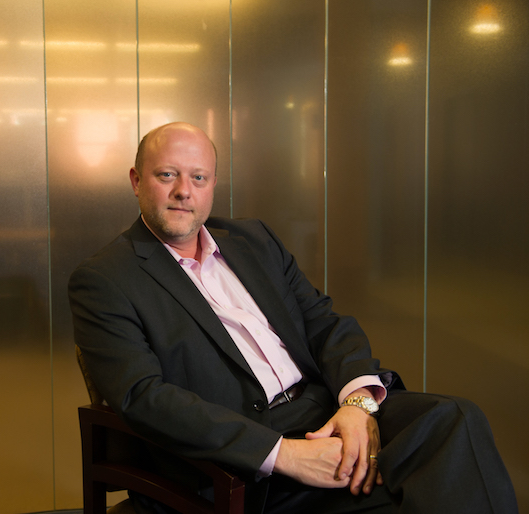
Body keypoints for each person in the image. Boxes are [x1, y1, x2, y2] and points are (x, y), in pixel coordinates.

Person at [69, 122, 517, 513]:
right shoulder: (106, 278)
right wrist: (282, 454)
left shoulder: (252, 239)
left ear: (213, 184)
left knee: (454, 420)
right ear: (136, 180)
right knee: (435, 488)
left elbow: (322, 320)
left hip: (324, 411)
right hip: (245, 456)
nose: (184, 191)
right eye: (167, 175)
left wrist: (356, 405)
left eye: (198, 177)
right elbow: (141, 396)